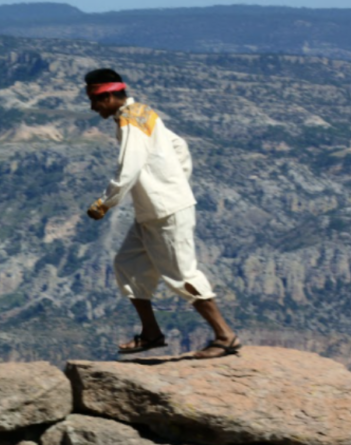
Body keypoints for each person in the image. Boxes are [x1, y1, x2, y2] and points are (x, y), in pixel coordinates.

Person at [83, 68, 240, 359]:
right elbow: (180, 146)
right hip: (154, 210)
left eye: (95, 99)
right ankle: (151, 334)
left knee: (182, 274)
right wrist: (175, 181)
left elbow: (128, 167)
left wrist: (104, 203)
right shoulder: (143, 112)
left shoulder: (131, 121)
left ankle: (225, 335)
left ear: (109, 95)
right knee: (127, 265)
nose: (93, 107)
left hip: (165, 212)